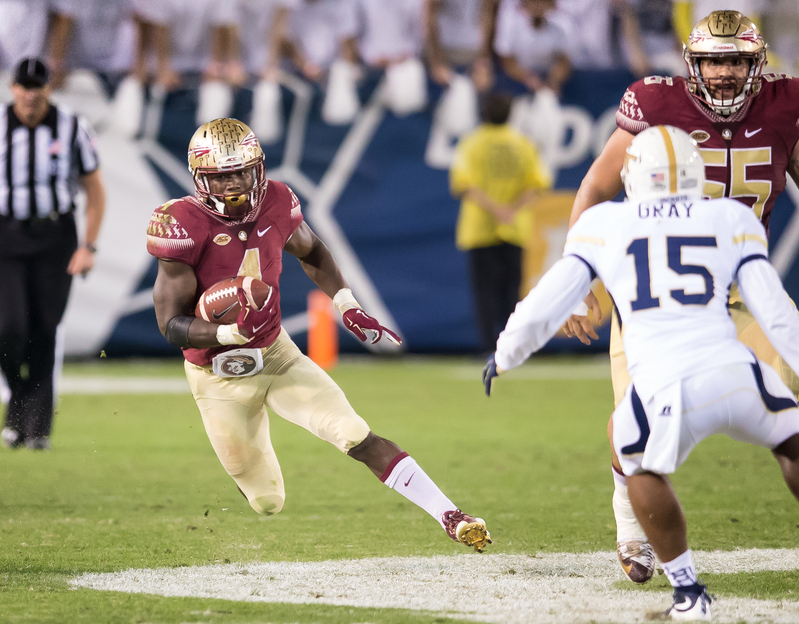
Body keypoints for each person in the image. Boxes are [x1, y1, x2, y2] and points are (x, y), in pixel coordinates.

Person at [484, 125, 799, 621]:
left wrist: (506, 353)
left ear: (633, 176)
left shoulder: (603, 224)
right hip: (735, 369)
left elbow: (552, 298)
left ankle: (687, 591)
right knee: (796, 439)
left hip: (664, 382)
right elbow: (776, 314)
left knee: (635, 461)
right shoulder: (730, 217)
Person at [147, 117, 492, 552]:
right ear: (200, 179)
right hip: (218, 375)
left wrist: (347, 304)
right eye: (223, 175)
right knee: (267, 501)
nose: (235, 184)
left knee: (354, 433)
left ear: (259, 167)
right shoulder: (178, 222)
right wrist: (231, 332)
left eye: (241, 171)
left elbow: (313, 251)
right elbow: (170, 325)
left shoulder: (276, 199)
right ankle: (248, 463)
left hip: (276, 354)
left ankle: (450, 514)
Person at [563, 9, 799, 583]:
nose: (724, 73)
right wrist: (579, 284)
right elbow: (596, 189)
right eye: (713, 61)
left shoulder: (786, 103)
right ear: (692, 64)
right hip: (657, 289)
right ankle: (632, 528)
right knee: (634, 424)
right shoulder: (654, 103)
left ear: (759, 64)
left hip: (743, 287)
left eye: (738, 61)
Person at [0, 58, 106, 451]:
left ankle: (36, 427)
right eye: (23, 86)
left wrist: (88, 246)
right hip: (6, 236)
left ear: (49, 88)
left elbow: (94, 188)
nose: (30, 94)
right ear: (12, 88)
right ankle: (18, 403)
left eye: (37, 86)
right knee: (8, 329)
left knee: (45, 330)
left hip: (55, 235)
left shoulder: (71, 126)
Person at [450, 91, 551, 353]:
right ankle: (510, 347)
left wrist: (495, 209)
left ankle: (487, 347)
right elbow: (538, 184)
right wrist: (510, 210)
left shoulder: (472, 143)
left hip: (479, 228)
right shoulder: (522, 144)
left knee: (484, 292)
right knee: (511, 293)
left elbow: (463, 185)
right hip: (515, 226)